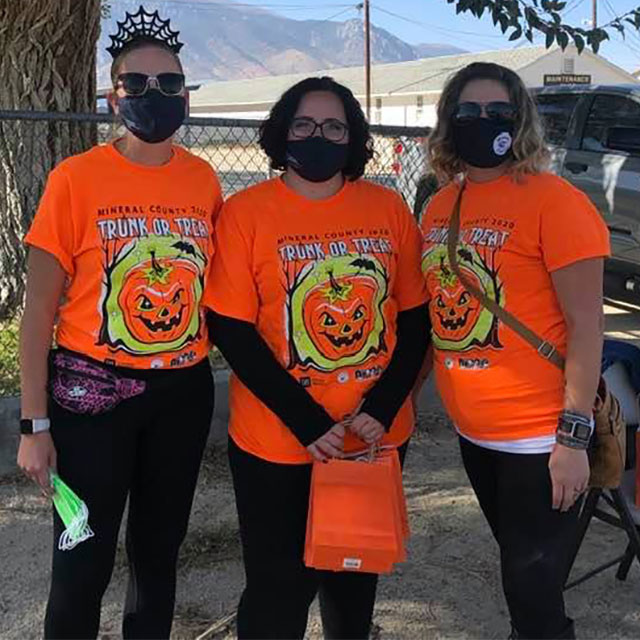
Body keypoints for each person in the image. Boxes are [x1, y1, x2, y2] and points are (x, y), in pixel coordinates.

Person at [16, 7, 222, 639]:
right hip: (89, 398)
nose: (153, 96)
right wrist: (34, 424)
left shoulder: (205, 180)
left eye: (169, 85)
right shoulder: (74, 180)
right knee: (81, 558)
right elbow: (37, 312)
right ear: (113, 98)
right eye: (137, 84)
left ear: (185, 95)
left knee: (158, 556)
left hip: (183, 394)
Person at [204, 76, 430, 639]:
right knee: (277, 589)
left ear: (352, 137)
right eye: (304, 124)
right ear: (283, 131)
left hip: (371, 441)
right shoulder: (247, 213)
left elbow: (415, 318)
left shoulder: (387, 207)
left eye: (335, 126)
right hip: (277, 444)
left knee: (353, 585)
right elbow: (231, 329)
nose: (318, 136)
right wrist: (306, 421)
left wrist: (383, 404)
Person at [419, 62, 610, 639]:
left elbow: (586, 325)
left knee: (529, 587)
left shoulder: (556, 201)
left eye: (497, 112)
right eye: (468, 112)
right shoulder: (437, 208)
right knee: (524, 573)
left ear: (520, 120)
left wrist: (572, 438)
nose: (483, 123)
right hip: (476, 432)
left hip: (539, 433)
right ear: (449, 123)